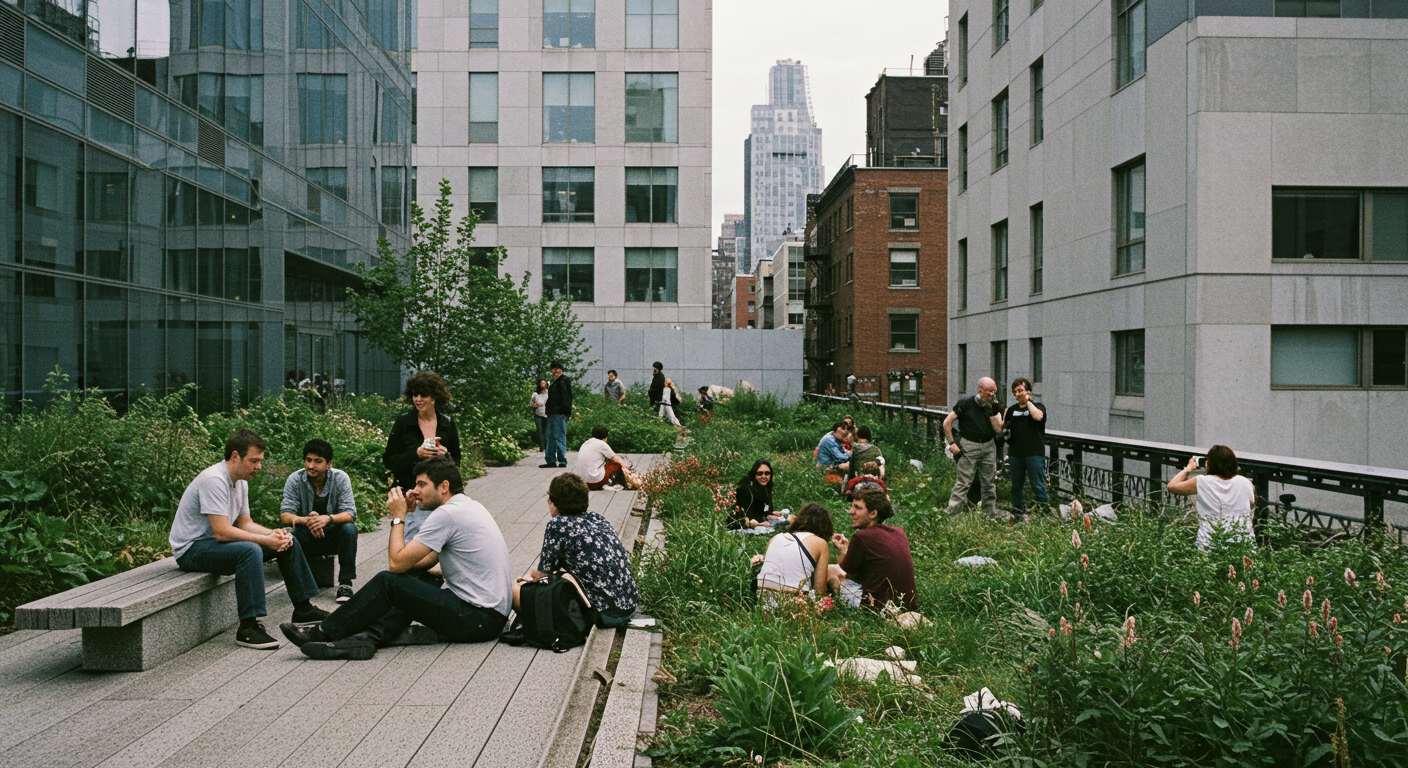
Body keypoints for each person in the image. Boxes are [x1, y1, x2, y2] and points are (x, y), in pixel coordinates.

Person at [280, 458, 513, 660]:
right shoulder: (465, 506)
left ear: (444, 486)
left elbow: (396, 563)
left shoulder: (447, 514)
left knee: (387, 581)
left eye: (422, 484)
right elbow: (421, 561)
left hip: (478, 620)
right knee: (414, 579)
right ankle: (365, 638)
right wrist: (410, 517)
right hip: (490, 616)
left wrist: (398, 517)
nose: (415, 490)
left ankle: (325, 631)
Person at [170, 429, 328, 650]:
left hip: (215, 544)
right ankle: (247, 628)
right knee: (250, 550)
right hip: (192, 550)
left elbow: (244, 523)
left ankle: (303, 610)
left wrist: (273, 534)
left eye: (260, 461)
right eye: (254, 461)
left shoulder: (240, 480)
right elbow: (222, 532)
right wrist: (264, 541)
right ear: (235, 456)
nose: (259, 467)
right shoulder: (214, 480)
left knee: (288, 540)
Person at [514, 473, 640, 628]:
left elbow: (543, 575)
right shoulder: (597, 518)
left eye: (549, 497)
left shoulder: (558, 525)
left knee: (515, 589)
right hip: (628, 606)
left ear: (554, 501)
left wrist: (530, 579)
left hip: (603, 614)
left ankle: (536, 626)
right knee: (537, 576)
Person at [280, 439, 360, 603]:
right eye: (308, 460)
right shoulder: (295, 479)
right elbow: (285, 515)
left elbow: (350, 513)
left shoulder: (340, 478)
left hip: (332, 533)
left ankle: (345, 584)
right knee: (288, 535)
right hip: (306, 533)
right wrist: (307, 521)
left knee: (349, 529)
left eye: (318, 461)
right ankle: (301, 586)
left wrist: (327, 519)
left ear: (328, 464)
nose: (311, 466)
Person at [827, 490, 918, 612]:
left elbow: (845, 572)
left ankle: (822, 604)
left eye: (857, 508)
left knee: (829, 570)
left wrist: (843, 551)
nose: (850, 511)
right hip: (906, 606)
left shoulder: (862, 536)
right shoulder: (899, 532)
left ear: (873, 513)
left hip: (876, 608)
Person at [383, 371, 461, 494]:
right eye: (415, 395)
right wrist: (416, 454)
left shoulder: (447, 423)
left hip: (439, 494)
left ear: (434, 397)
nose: (418, 399)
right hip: (411, 491)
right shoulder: (404, 422)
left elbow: (456, 464)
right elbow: (389, 461)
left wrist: (446, 456)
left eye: (423, 395)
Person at [1165, 445, 1255, 550]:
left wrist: (1188, 468)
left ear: (1210, 464)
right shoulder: (1245, 482)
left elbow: (1172, 486)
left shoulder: (1202, 482)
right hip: (1242, 543)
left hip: (1210, 544)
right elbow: (1251, 505)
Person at [943, 377, 1004, 519]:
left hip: (988, 445)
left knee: (989, 482)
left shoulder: (993, 405)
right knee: (963, 481)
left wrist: (997, 413)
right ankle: (952, 512)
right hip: (969, 445)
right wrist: (952, 443)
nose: (992, 395)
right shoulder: (965, 403)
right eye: (989, 392)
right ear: (980, 390)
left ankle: (990, 513)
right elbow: (947, 422)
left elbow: (998, 429)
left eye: (994, 391)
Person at [752, 503, 832, 605]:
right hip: (794, 601)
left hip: (763, 596)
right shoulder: (820, 543)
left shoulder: (776, 538)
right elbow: (820, 591)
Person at [1003, 378, 1049, 521]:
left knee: (1037, 485)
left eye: (1020, 390)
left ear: (1028, 392)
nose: (1018, 394)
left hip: (1034, 452)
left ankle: (1043, 514)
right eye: (1015, 391)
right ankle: (1018, 512)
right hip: (1016, 453)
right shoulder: (1012, 410)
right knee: (1016, 485)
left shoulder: (1038, 406)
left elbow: (1038, 417)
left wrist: (1028, 402)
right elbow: (1004, 427)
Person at [727, 460, 785, 531]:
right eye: (760, 474)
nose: (763, 477)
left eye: (767, 473)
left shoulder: (766, 488)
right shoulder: (745, 491)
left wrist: (771, 513)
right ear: (754, 475)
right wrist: (760, 524)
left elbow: (763, 510)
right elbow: (743, 518)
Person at [574, 425, 632, 491]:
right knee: (616, 465)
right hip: (595, 482)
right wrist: (627, 468)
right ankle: (624, 485)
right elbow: (615, 459)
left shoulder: (585, 443)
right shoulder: (601, 444)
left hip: (582, 482)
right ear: (605, 438)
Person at [542, 361, 573, 468]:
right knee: (550, 436)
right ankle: (551, 460)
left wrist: (566, 412)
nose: (554, 373)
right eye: (553, 371)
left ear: (561, 370)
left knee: (558, 436)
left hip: (559, 413)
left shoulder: (563, 381)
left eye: (557, 370)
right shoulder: (558, 382)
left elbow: (566, 398)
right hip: (553, 413)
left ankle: (561, 460)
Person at [531, 379, 550, 453]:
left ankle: (547, 446)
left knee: (546, 431)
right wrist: (536, 405)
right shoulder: (535, 394)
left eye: (544, 383)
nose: (543, 385)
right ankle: (541, 446)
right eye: (541, 383)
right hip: (538, 414)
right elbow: (531, 404)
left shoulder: (549, 393)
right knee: (540, 431)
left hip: (546, 414)